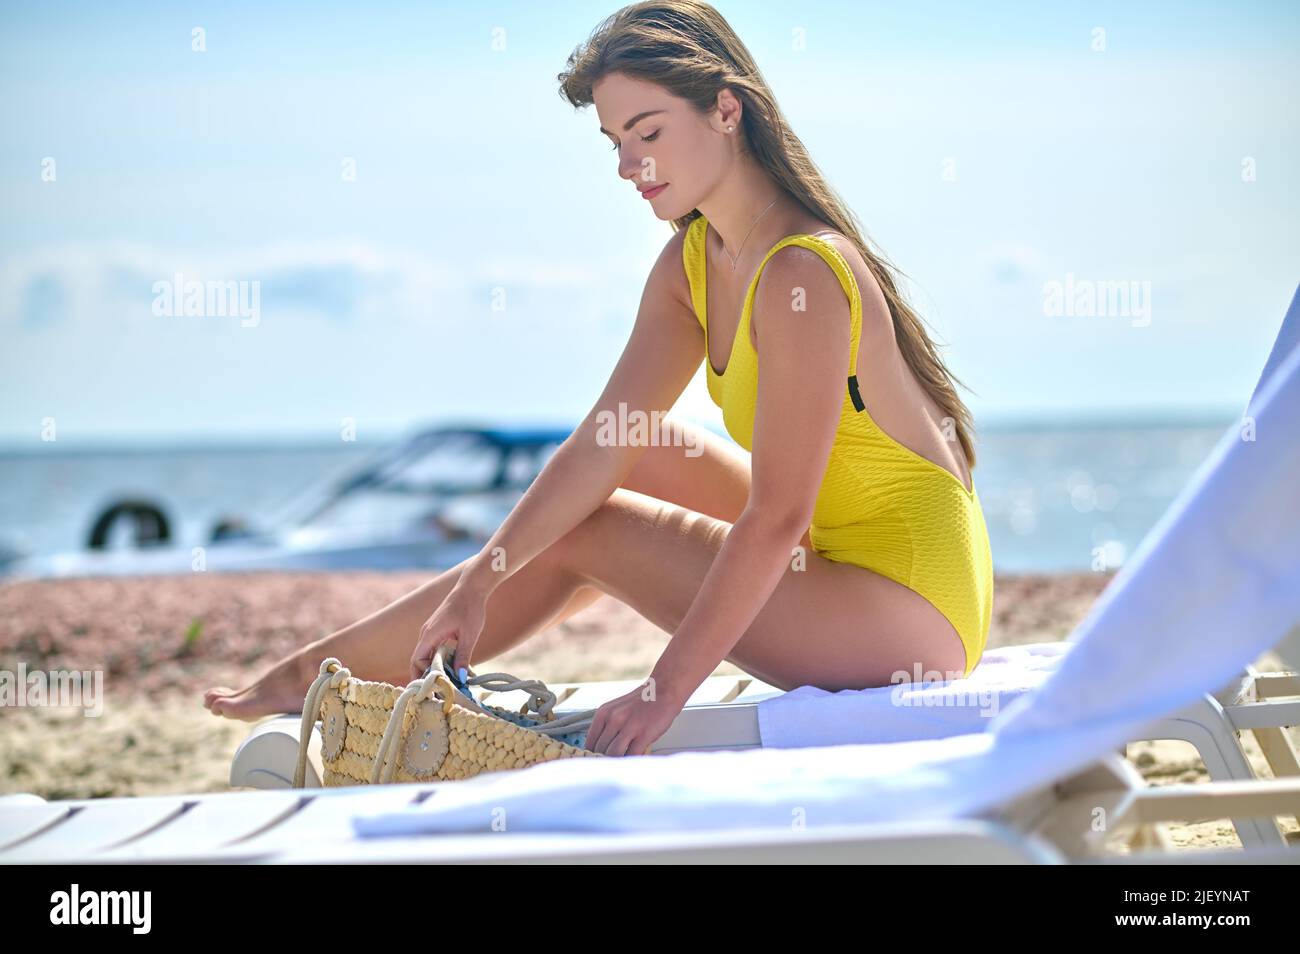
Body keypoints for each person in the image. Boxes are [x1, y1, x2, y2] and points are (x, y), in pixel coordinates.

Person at [205, 0, 994, 757]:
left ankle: (314, 680)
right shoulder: (694, 263)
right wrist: (479, 581)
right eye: (615, 139)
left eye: (647, 132)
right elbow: (601, 443)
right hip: (842, 555)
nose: (626, 165)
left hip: (911, 614)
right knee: (641, 446)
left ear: (727, 109)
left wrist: (664, 690)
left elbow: (778, 518)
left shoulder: (802, 273)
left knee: (595, 532)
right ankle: (341, 665)